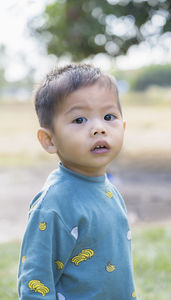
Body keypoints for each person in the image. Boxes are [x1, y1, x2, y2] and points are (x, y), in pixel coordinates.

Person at [18, 63, 137, 299]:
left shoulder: (108, 189)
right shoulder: (54, 205)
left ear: (123, 127)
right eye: (80, 120)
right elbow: (35, 282)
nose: (99, 128)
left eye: (109, 116)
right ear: (49, 140)